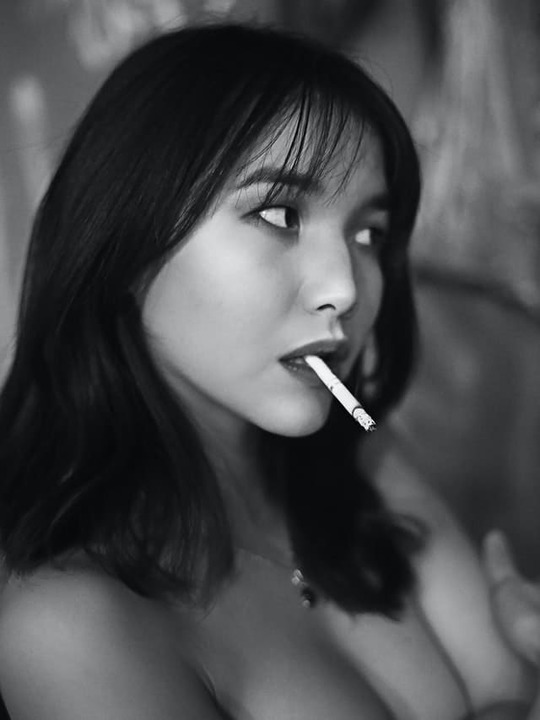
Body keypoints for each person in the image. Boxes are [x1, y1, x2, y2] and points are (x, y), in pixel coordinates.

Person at [0, 21, 538, 720]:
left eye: (369, 233)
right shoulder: (71, 625)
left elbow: (505, 694)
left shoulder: (365, 469)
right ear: (125, 241)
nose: (345, 288)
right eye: (280, 214)